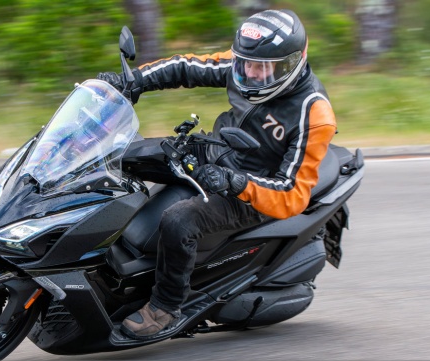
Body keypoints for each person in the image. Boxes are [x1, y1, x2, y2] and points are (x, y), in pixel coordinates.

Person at [97, 9, 337, 340]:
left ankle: (165, 307)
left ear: (291, 63)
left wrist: (236, 183)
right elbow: (187, 66)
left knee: (179, 220)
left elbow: (292, 194)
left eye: (262, 69)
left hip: (251, 191)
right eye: (245, 64)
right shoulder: (246, 64)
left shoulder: (314, 113)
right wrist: (133, 80)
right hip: (215, 153)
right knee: (118, 158)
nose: (250, 74)